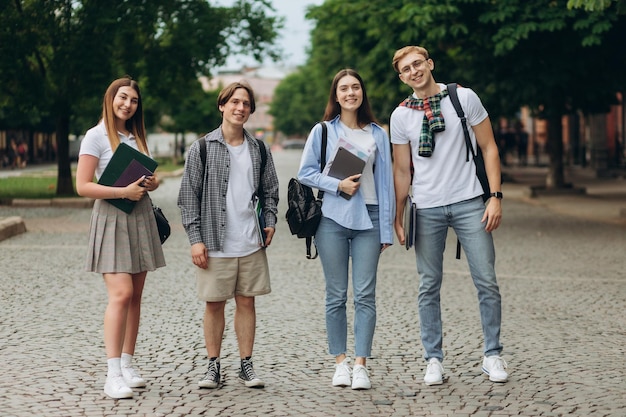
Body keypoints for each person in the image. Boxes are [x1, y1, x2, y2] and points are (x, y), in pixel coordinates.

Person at [389, 46, 508, 385]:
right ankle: (433, 359)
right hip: (425, 208)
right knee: (428, 285)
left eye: (417, 64)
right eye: (406, 69)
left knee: (486, 280)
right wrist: (398, 216)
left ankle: (492, 354)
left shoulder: (463, 97)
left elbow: (489, 147)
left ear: (429, 64)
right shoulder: (401, 116)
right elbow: (401, 170)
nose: (414, 71)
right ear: (401, 78)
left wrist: (495, 197)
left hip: (471, 201)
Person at [297, 69, 395, 390]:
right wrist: (337, 184)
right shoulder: (323, 131)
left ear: (362, 93)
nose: (350, 92)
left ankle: (361, 364)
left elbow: (386, 184)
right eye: (344, 88)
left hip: (370, 219)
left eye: (355, 87)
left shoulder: (378, 134)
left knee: (365, 295)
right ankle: (340, 362)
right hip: (332, 220)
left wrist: (386, 229)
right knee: (336, 295)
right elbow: (306, 173)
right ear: (335, 95)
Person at [177, 81, 279, 390]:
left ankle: (246, 365)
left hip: (249, 240)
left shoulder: (259, 148)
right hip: (214, 240)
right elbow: (187, 197)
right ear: (222, 106)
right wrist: (196, 239)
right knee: (214, 304)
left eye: (246, 104)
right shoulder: (203, 147)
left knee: (247, 303)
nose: (240, 108)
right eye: (234, 102)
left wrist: (270, 220)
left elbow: (270, 189)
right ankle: (213, 366)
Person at [76, 77, 166, 399]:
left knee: (136, 295)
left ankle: (128, 363)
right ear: (111, 98)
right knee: (121, 294)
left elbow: (143, 177)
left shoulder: (136, 136)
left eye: (134, 100)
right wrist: (122, 191)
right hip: (112, 216)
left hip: (140, 217)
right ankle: (112, 373)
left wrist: (152, 184)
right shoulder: (96, 136)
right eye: (122, 97)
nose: (127, 104)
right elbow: (83, 186)